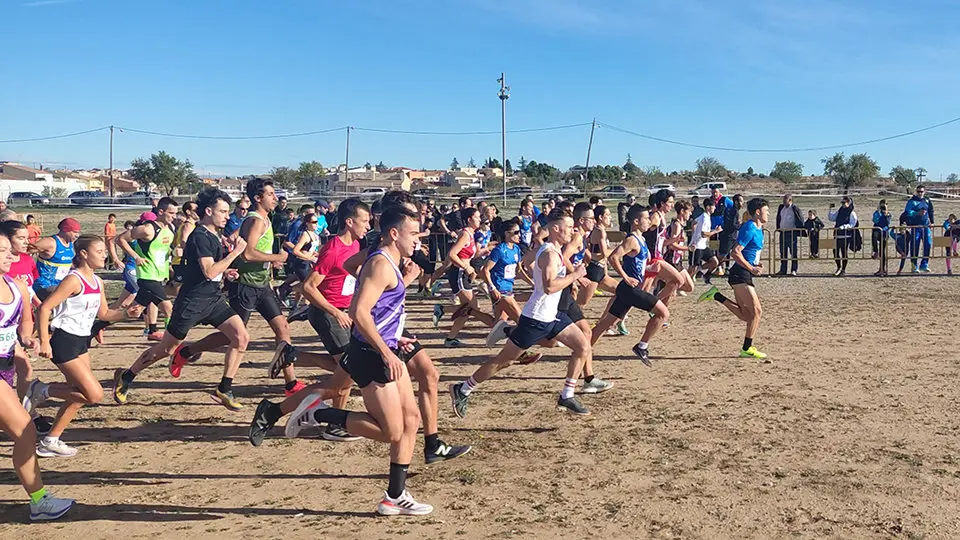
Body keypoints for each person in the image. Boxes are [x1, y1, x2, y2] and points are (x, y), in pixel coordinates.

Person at [283, 205, 435, 516]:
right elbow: (360, 312)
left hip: (389, 346)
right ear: (394, 234)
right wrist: (386, 351)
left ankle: (395, 496)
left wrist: (397, 335)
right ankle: (319, 414)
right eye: (413, 234)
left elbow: (383, 309)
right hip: (373, 353)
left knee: (411, 421)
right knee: (391, 432)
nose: (417, 241)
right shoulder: (380, 264)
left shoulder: (391, 262)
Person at [112, 188, 251, 410]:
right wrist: (235, 254)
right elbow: (208, 271)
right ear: (208, 211)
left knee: (241, 337)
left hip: (213, 299)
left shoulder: (214, 235)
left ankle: (224, 388)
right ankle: (127, 376)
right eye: (223, 212)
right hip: (192, 301)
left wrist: (226, 272)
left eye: (227, 212)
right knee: (166, 349)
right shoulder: (200, 236)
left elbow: (206, 270)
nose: (227, 216)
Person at [449, 207, 594, 417]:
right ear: (555, 228)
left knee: (582, 346)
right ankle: (463, 388)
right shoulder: (550, 255)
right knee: (504, 361)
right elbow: (550, 287)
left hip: (553, 315)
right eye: (569, 227)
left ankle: (567, 395)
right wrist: (576, 275)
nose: (572, 232)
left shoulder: (550, 250)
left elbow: (526, 262)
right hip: (536, 318)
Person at [166, 179, 303, 397]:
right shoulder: (256, 220)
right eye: (270, 194)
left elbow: (233, 239)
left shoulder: (263, 219)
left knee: (283, 329)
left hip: (261, 284)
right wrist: (277, 257)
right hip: (245, 286)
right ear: (258, 198)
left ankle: (291, 383)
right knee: (232, 336)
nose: (275, 198)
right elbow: (247, 253)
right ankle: (187, 351)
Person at [25, 235, 141, 458]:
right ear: (84, 254)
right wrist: (45, 341)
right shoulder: (74, 280)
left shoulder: (97, 281)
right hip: (63, 341)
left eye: (104, 251)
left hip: (81, 341)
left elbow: (105, 314)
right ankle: (41, 390)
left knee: (78, 395)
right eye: (99, 251)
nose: (104, 254)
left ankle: (50, 440)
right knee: (94, 394)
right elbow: (44, 309)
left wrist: (127, 314)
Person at [0, 233, 74, 520]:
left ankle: (39, 502)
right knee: (25, 430)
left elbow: (25, 319)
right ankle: (40, 502)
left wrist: (28, 338)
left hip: (6, 369)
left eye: (10, 250)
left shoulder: (15, 286)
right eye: (3, 250)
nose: (10, 255)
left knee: (23, 432)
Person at [587, 204, 671, 365]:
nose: (649, 221)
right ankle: (642, 346)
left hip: (628, 289)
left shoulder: (642, 239)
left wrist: (649, 268)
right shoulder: (632, 240)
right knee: (663, 313)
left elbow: (635, 263)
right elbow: (613, 257)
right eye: (646, 218)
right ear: (637, 221)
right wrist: (625, 277)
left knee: (606, 323)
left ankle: (584, 348)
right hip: (629, 289)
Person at [698, 198, 769, 359]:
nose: (768, 214)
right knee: (757, 311)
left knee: (746, 315)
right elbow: (735, 252)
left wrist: (756, 264)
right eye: (766, 211)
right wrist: (751, 268)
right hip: (740, 273)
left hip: (744, 272)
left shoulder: (759, 228)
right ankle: (747, 348)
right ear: (758, 212)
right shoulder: (750, 227)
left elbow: (749, 252)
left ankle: (716, 295)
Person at [118, 198, 179, 341]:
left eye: (176, 213)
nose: (174, 217)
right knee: (168, 308)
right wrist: (136, 256)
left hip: (159, 275)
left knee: (135, 309)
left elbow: (161, 251)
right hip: (147, 275)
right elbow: (120, 239)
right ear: (161, 211)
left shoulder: (170, 229)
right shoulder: (148, 229)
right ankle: (170, 339)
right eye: (171, 213)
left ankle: (99, 326)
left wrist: (173, 257)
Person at [33, 218, 81, 301]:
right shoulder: (50, 242)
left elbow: (68, 264)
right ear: (66, 230)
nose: (77, 235)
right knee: (67, 297)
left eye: (78, 232)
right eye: (75, 232)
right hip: (44, 286)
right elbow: (25, 251)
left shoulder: (70, 244)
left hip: (60, 284)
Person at [689, 198, 722, 284]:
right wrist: (715, 231)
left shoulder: (705, 216)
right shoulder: (704, 217)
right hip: (697, 246)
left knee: (715, 262)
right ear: (708, 207)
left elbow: (694, 223)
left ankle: (705, 275)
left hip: (703, 246)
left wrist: (694, 232)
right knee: (693, 268)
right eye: (713, 206)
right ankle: (683, 282)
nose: (715, 208)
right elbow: (703, 234)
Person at [904, 185, 934, 272]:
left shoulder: (927, 200)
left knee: (928, 244)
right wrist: (917, 213)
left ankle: (924, 264)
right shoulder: (911, 201)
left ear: (925, 192)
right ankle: (914, 265)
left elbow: (931, 211)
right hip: (915, 227)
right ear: (916, 192)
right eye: (918, 191)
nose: (920, 193)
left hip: (925, 226)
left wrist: (932, 222)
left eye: (922, 191)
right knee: (915, 245)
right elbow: (907, 212)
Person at [828, 196, 858, 276]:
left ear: (849, 203)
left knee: (844, 252)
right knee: (835, 252)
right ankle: (838, 267)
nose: (843, 204)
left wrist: (844, 227)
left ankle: (843, 270)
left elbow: (852, 224)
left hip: (846, 236)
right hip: (837, 234)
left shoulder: (852, 213)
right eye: (842, 203)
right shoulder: (840, 210)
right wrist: (830, 210)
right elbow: (832, 218)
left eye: (844, 203)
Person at [775, 194, 803, 276]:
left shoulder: (795, 209)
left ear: (790, 200)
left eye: (785, 200)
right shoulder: (781, 208)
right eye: (783, 200)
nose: (783, 202)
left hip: (791, 232)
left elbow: (800, 219)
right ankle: (783, 270)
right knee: (783, 252)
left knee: (793, 252)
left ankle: (794, 270)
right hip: (782, 232)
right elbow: (779, 218)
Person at [875, 203, 892, 277]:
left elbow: (887, 224)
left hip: (884, 234)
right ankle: (875, 251)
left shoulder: (888, 215)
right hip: (877, 232)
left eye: (885, 207)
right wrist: (877, 211)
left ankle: (882, 269)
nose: (883, 209)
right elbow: (875, 220)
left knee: (882, 252)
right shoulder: (877, 213)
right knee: (878, 249)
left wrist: (886, 214)